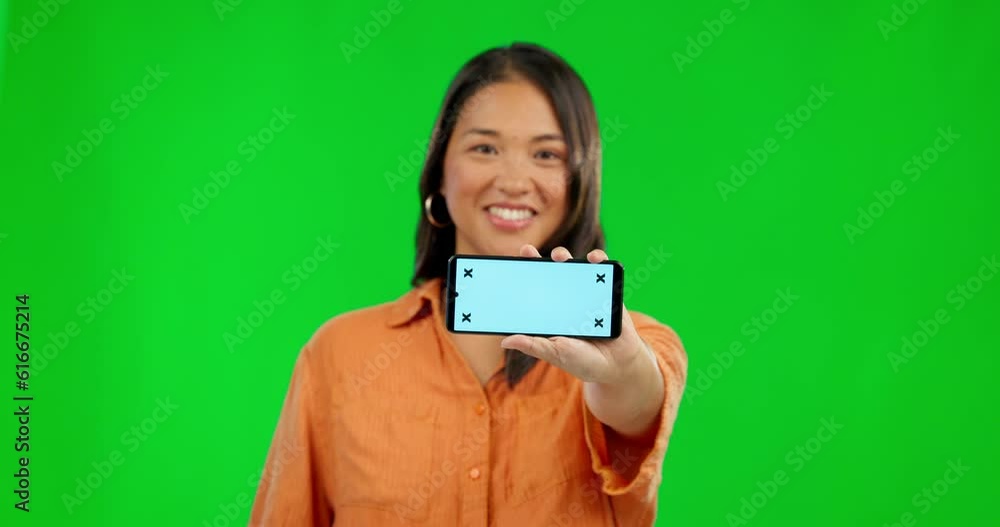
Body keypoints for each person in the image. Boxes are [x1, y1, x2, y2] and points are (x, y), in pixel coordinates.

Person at [249, 42, 688, 526]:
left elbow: (636, 399)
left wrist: (622, 372)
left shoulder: (636, 343)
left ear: (580, 183)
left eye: (546, 153)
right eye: (484, 148)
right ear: (439, 174)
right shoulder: (338, 354)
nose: (514, 179)